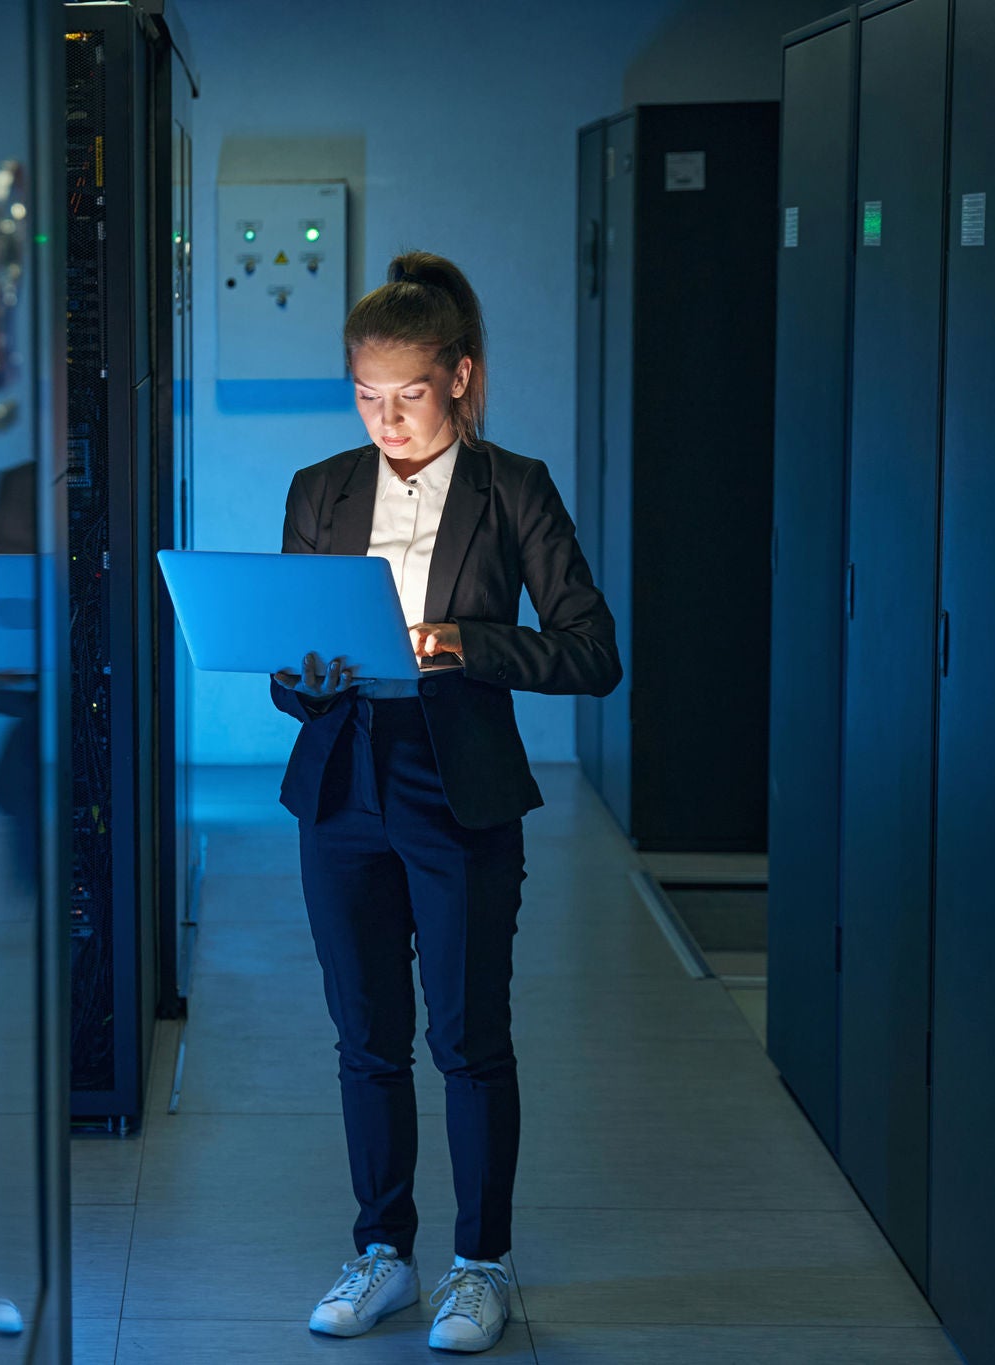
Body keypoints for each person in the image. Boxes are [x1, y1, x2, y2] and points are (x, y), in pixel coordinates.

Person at [269, 250, 620, 1353]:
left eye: (408, 395)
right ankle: (380, 1254)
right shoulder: (319, 488)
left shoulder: (511, 486)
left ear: (457, 377)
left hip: (454, 783)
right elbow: (287, 661)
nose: (386, 420)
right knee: (363, 1037)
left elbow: (589, 652)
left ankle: (479, 1266)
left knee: (466, 1036)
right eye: (366, 398)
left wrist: (467, 642)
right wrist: (304, 675)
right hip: (338, 782)